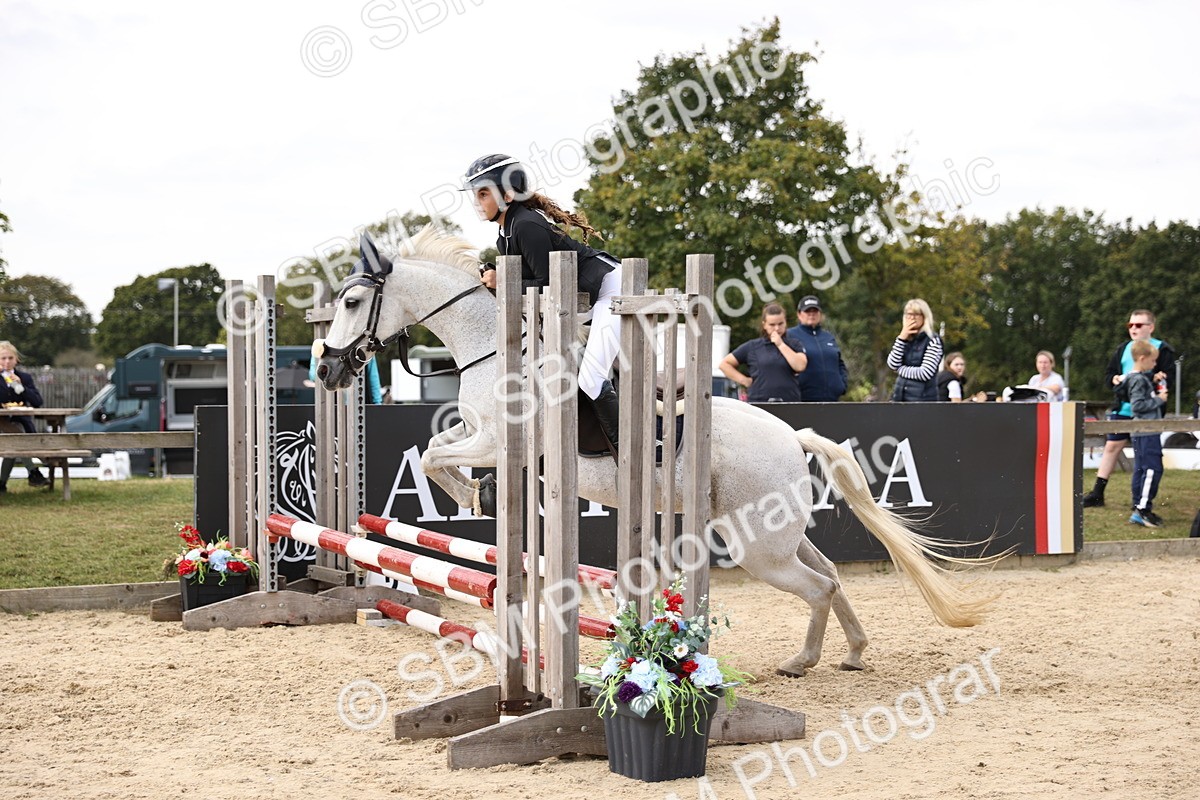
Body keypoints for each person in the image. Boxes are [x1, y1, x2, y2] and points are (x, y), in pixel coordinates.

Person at [467, 154, 623, 449]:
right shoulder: (505, 232)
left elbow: (548, 286)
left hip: (612, 291)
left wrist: (504, 282)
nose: (478, 201)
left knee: (591, 378)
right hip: (585, 296)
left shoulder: (526, 225)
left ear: (508, 194)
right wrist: (499, 282)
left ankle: (631, 449)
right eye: (477, 194)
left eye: (484, 192)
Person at [1083, 309, 1175, 508]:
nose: (1133, 328)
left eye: (1138, 325)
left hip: (1148, 411)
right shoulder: (1123, 348)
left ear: (1150, 327)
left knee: (1145, 456)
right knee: (1111, 446)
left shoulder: (1162, 349)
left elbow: (1167, 379)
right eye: (1130, 325)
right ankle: (1098, 493)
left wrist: (1149, 383)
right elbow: (1110, 375)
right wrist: (1114, 380)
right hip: (1123, 407)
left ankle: (1141, 501)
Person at [719, 303, 807, 402]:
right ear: (764, 324)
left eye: (780, 323)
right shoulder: (753, 346)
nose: (777, 328)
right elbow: (724, 364)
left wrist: (781, 345)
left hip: (789, 402)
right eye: (772, 325)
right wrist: (744, 380)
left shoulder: (794, 344)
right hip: (760, 403)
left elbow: (800, 366)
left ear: (785, 322)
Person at [1125, 340, 1167, 527]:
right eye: (1152, 361)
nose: (1155, 365)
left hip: (1142, 432)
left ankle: (1139, 506)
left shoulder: (1139, 378)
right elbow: (1138, 406)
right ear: (1142, 359)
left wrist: (1153, 379)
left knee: (1141, 469)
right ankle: (1143, 509)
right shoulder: (1137, 381)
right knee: (1152, 469)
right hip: (1146, 431)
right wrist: (1159, 400)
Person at [0, 340, 49, 491]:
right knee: (16, 438)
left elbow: (37, 402)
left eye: (10, 358)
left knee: (14, 443)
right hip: (1, 422)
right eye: (3, 358)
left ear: (16, 360)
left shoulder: (25, 377)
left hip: (20, 423)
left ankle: (1, 485)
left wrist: (22, 387)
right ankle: (33, 472)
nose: (7, 362)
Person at [786, 295, 848, 401]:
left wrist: (841, 384)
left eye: (815, 311)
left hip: (832, 400)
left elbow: (839, 362)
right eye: (807, 311)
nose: (811, 314)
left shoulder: (828, 337)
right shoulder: (790, 335)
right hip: (802, 400)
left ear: (820, 314)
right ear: (799, 314)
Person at [887, 298, 943, 402]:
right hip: (900, 398)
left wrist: (900, 370)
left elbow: (925, 372)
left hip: (923, 400)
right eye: (909, 314)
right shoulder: (905, 339)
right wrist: (901, 338)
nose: (912, 318)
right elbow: (892, 363)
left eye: (916, 314)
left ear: (924, 317)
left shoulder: (933, 340)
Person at [308, 356, 381, 403]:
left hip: (359, 406)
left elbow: (374, 379)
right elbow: (314, 376)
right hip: (333, 405)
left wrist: (377, 403)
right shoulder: (363, 348)